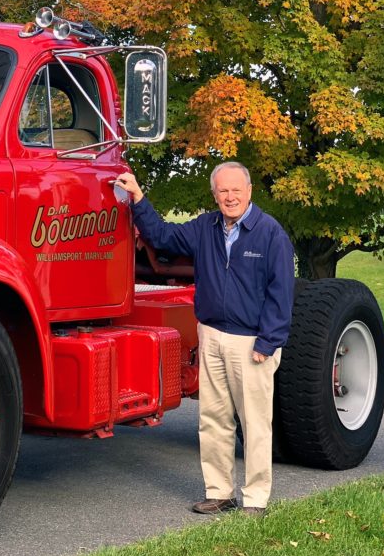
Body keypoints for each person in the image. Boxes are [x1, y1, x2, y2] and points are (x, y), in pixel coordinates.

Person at [115, 162, 294, 517]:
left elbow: (281, 293)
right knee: (213, 419)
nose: (230, 197)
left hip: (252, 343)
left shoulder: (270, 233)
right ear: (214, 195)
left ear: (249, 192)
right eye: (222, 191)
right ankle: (220, 492)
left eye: (236, 190)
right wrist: (138, 199)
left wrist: (267, 342)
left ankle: (256, 499)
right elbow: (162, 235)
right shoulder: (205, 227)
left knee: (255, 423)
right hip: (211, 335)